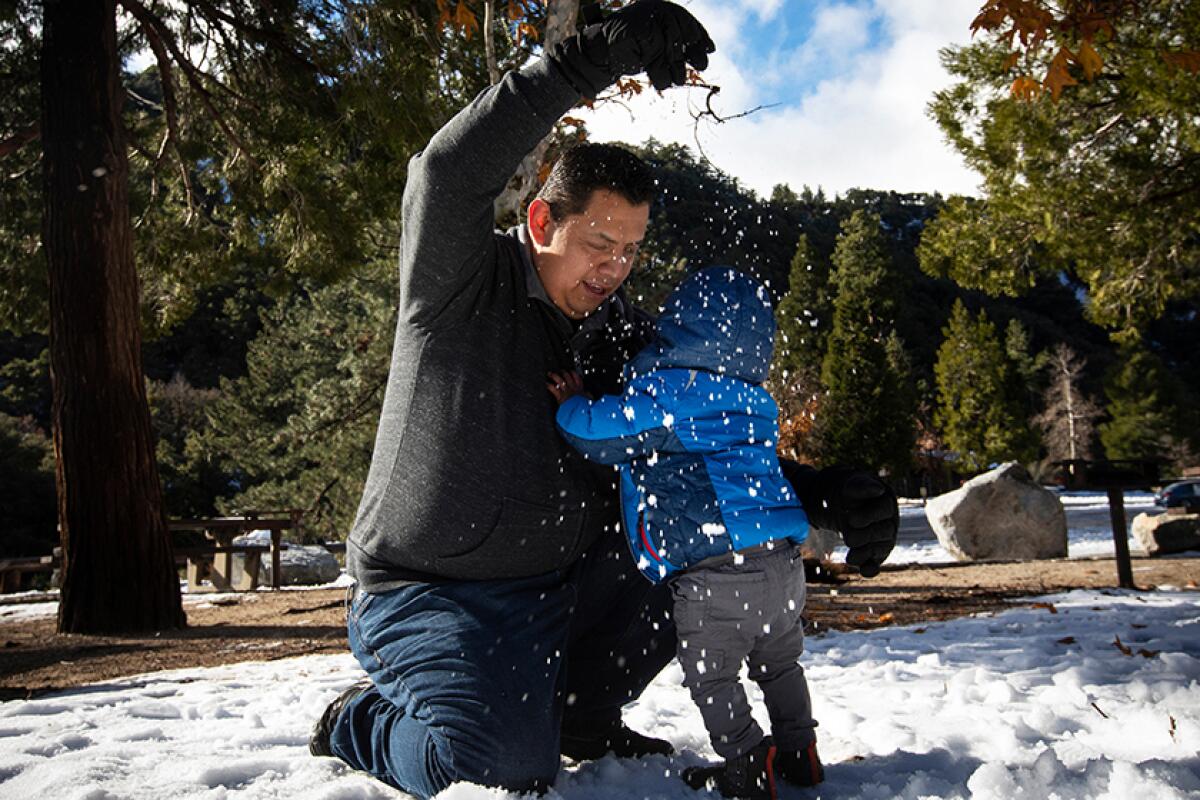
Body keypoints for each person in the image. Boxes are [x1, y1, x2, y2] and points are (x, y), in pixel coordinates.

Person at [308, 1, 896, 796]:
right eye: (599, 243)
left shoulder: (619, 333)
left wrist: (825, 492)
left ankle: (585, 714)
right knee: (499, 763)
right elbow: (442, 175)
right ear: (543, 219)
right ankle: (361, 720)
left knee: (697, 552)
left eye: (631, 251)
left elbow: (700, 436)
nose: (615, 268)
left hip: (561, 589)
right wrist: (584, 62)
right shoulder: (460, 284)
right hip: (429, 590)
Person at [549, 267, 833, 799]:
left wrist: (573, 402)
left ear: (678, 324)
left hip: (718, 572)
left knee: (712, 675)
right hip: (783, 566)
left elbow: (601, 434)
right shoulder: (754, 399)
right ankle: (799, 750)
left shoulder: (669, 394)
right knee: (779, 664)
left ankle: (746, 761)